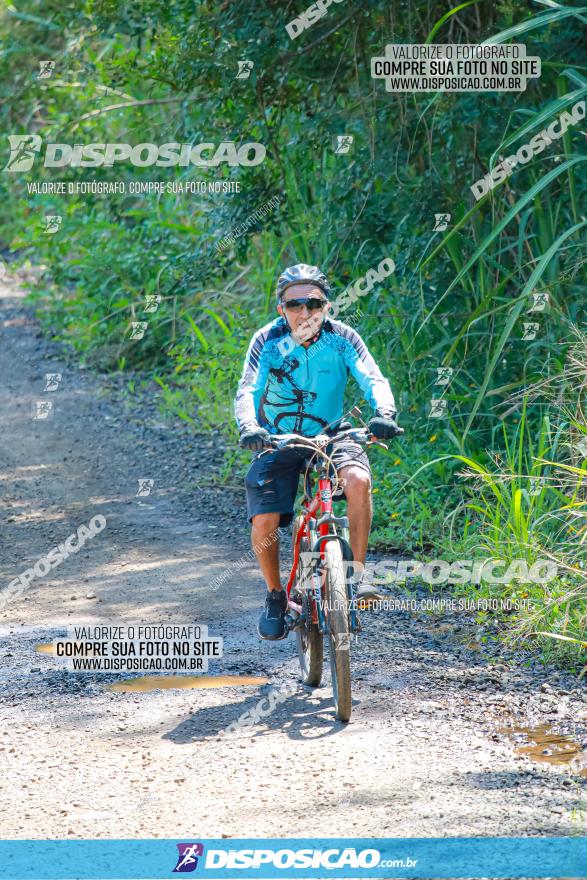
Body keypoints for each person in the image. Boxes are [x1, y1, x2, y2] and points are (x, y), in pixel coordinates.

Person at [234, 263, 401, 640]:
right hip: (277, 438)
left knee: (357, 481)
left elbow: (372, 377)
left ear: (326, 305)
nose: (304, 312)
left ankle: (356, 578)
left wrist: (385, 414)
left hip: (332, 435)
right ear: (281, 308)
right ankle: (276, 596)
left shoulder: (343, 338)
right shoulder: (267, 340)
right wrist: (250, 428)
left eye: (314, 303)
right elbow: (248, 389)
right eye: (295, 305)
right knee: (265, 519)